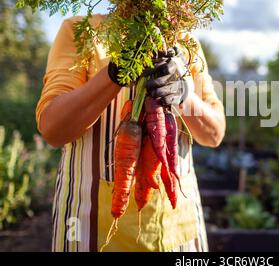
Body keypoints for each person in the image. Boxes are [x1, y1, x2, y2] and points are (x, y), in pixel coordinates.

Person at [36, 14, 226, 252]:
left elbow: (215, 134)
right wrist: (113, 74)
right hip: (89, 228)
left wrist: (185, 95)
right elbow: (53, 129)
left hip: (176, 231)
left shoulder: (186, 43)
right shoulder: (81, 31)